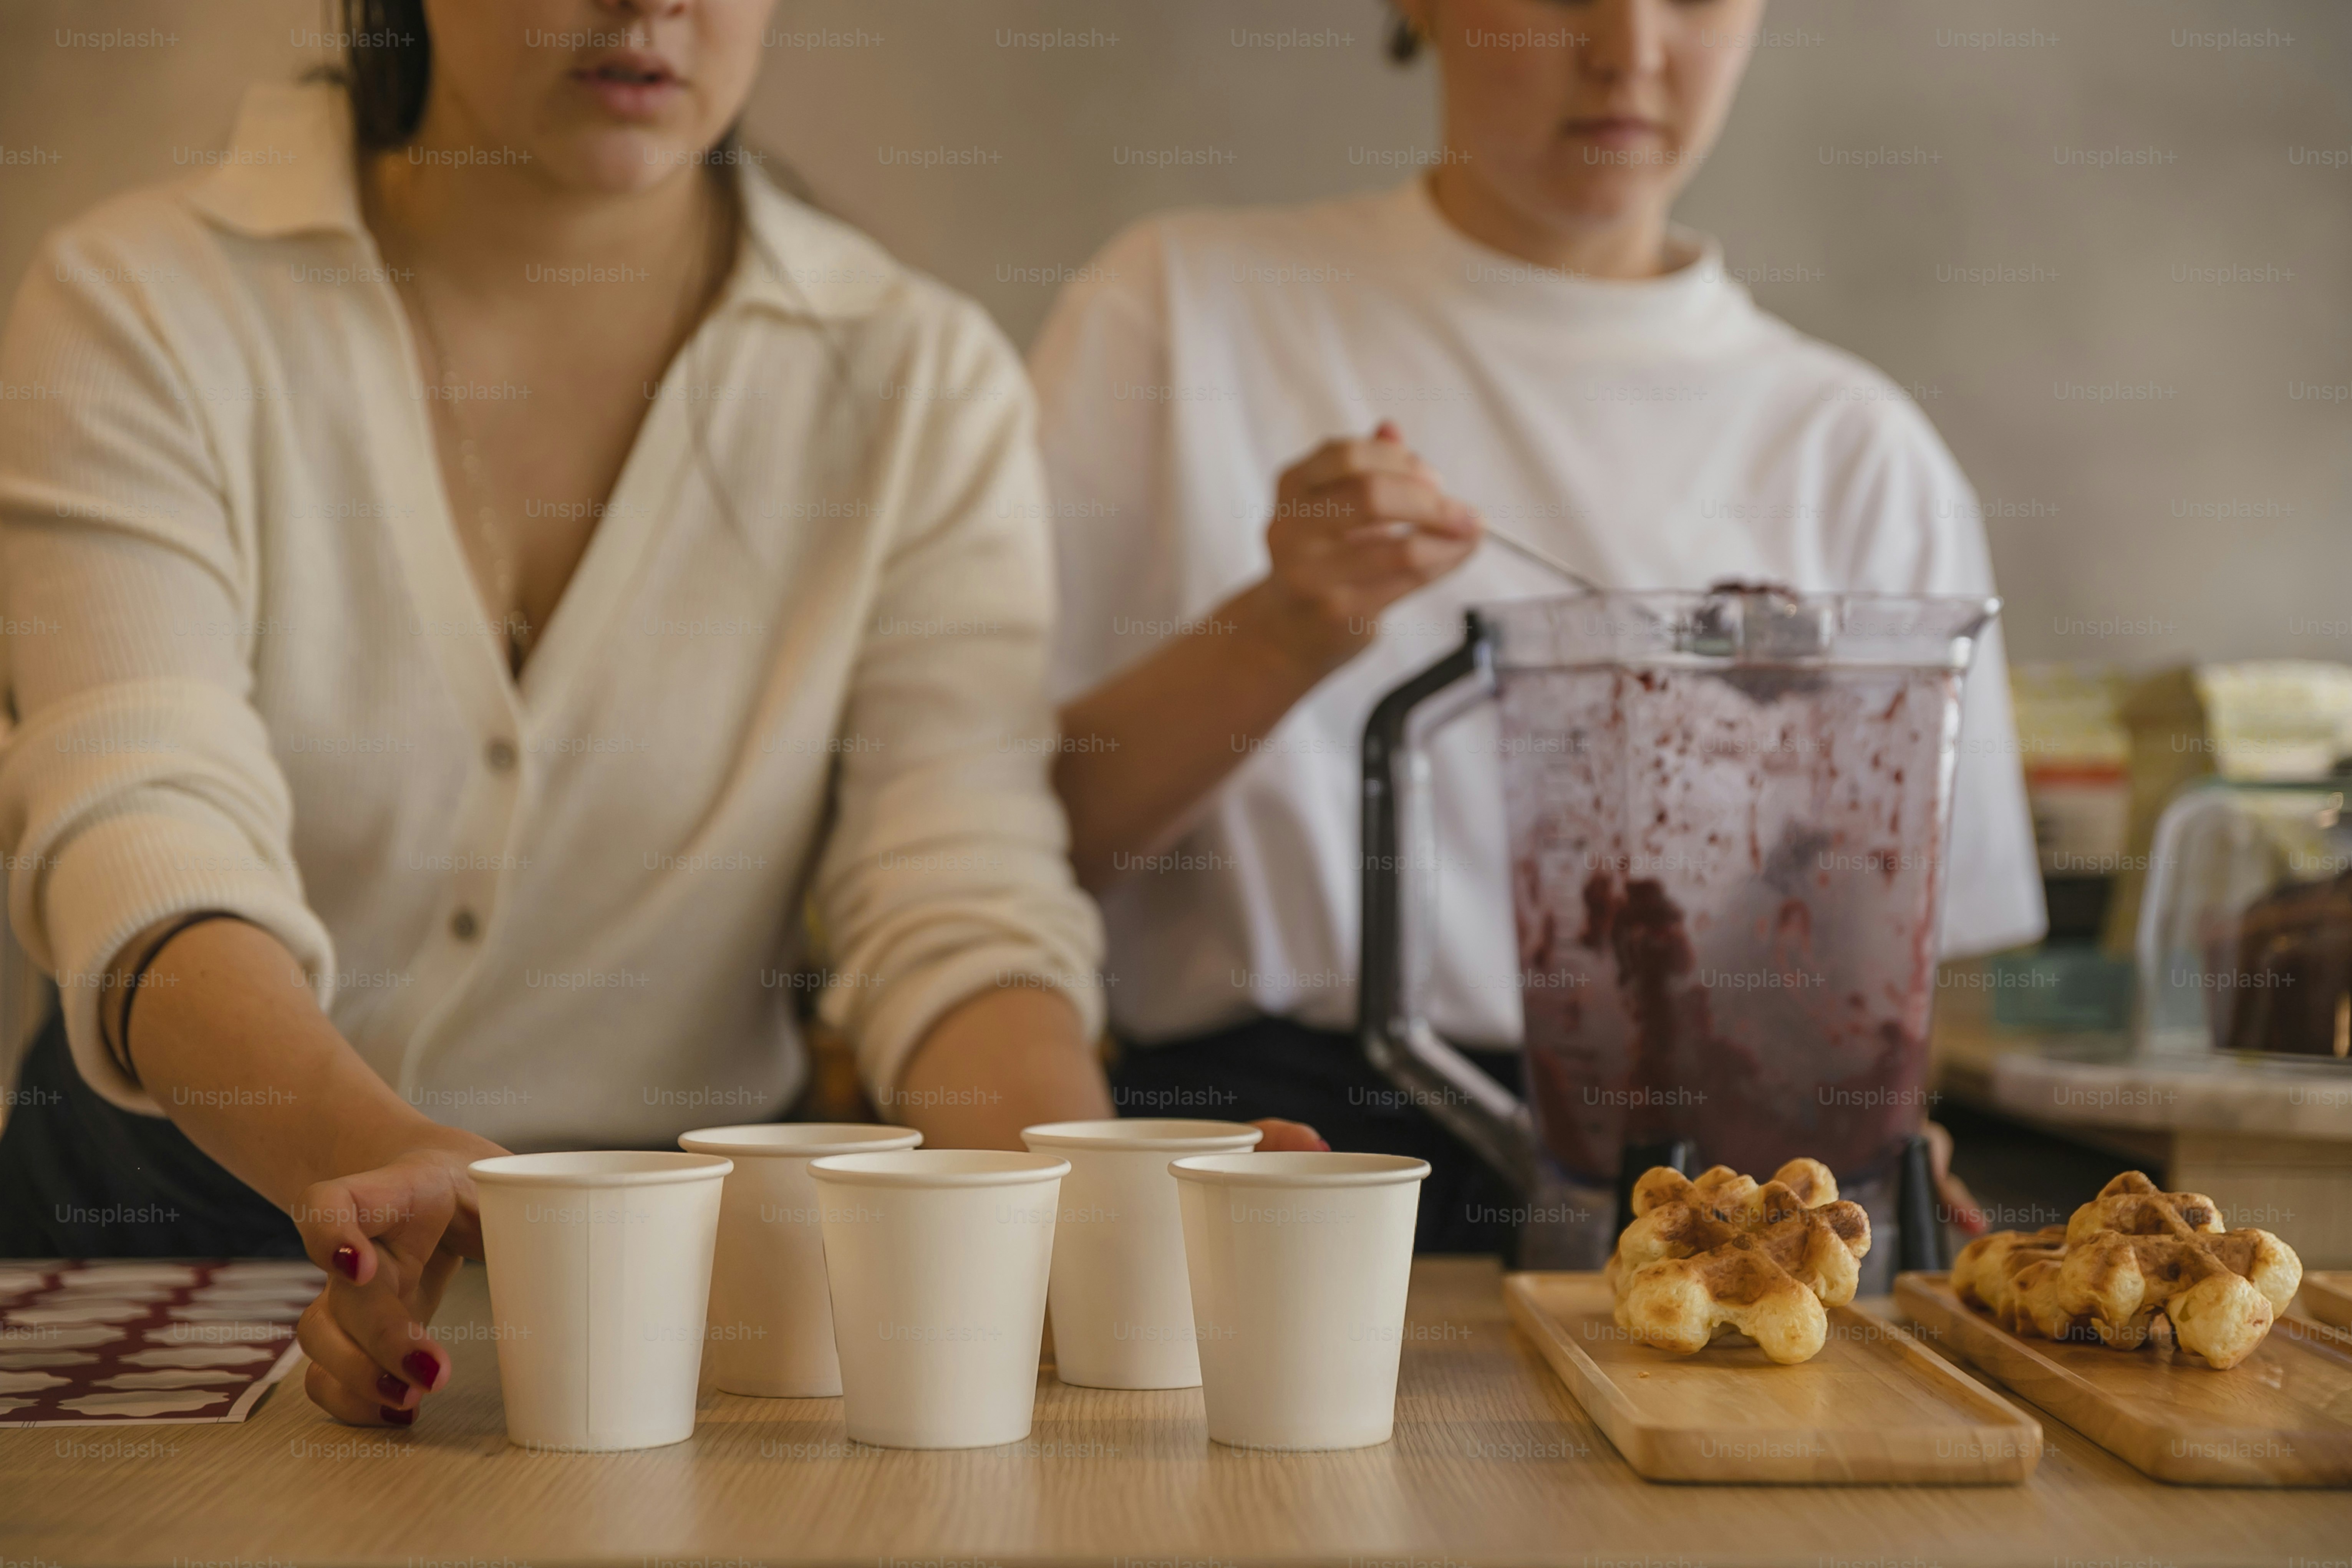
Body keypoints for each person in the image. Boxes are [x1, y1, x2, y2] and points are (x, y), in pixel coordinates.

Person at [0, 0, 1129, 1428]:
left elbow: (956, 887)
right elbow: (140, 825)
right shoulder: (147, 300)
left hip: (689, 1261)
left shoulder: (916, 378)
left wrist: (1101, 1196)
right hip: (176, 1220)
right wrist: (375, 1158)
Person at [1032, 0, 2034, 1256]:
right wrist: (1278, 632)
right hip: (1272, 1158)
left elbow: (1883, 978)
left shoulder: (1854, 454)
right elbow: (997, 846)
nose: (1629, 49)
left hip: (1703, 1194)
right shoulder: (1181, 313)